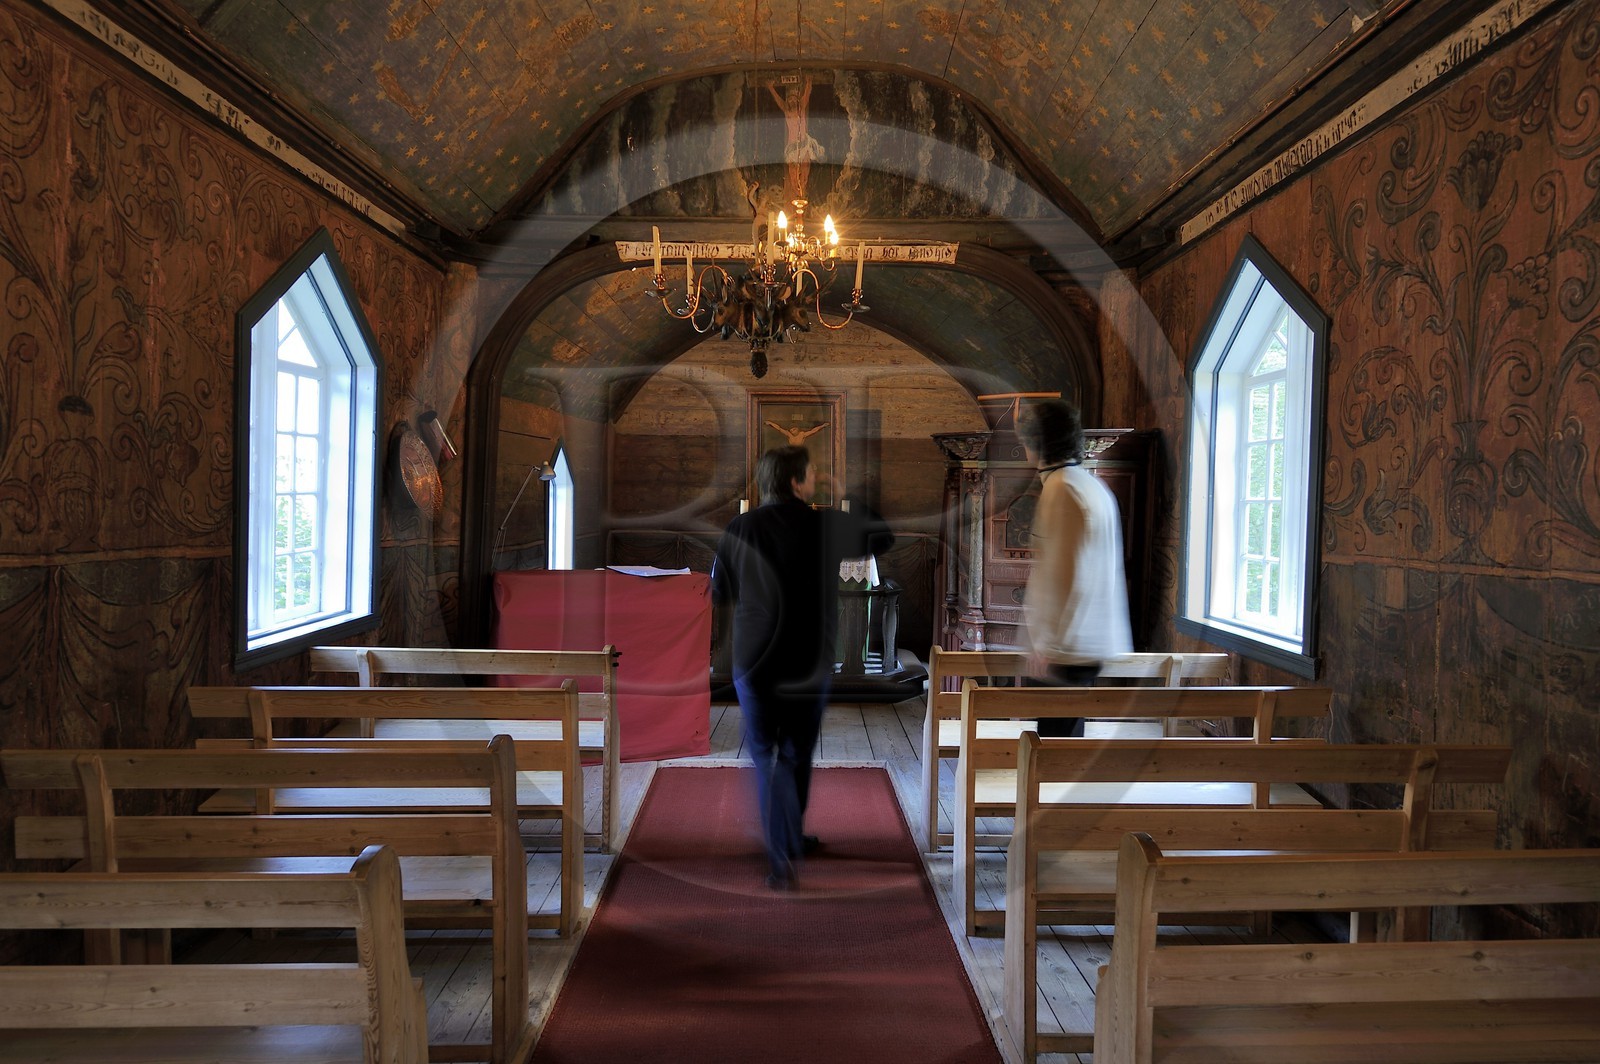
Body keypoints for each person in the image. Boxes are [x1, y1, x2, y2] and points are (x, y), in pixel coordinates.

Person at [711, 445, 865, 889]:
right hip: (806, 659)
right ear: (797, 482)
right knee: (795, 753)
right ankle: (787, 842)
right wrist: (843, 494)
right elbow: (881, 537)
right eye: (814, 473)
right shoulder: (824, 525)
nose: (817, 478)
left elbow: (720, 591)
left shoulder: (740, 526)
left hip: (755, 659)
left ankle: (782, 849)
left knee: (764, 754)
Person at [1016, 398, 1133, 736]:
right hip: (1083, 643)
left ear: (1036, 442)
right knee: (1060, 746)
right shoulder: (1088, 484)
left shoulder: (1062, 489)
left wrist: (1048, 644)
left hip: (1068, 650)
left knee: (1051, 752)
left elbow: (1069, 576)